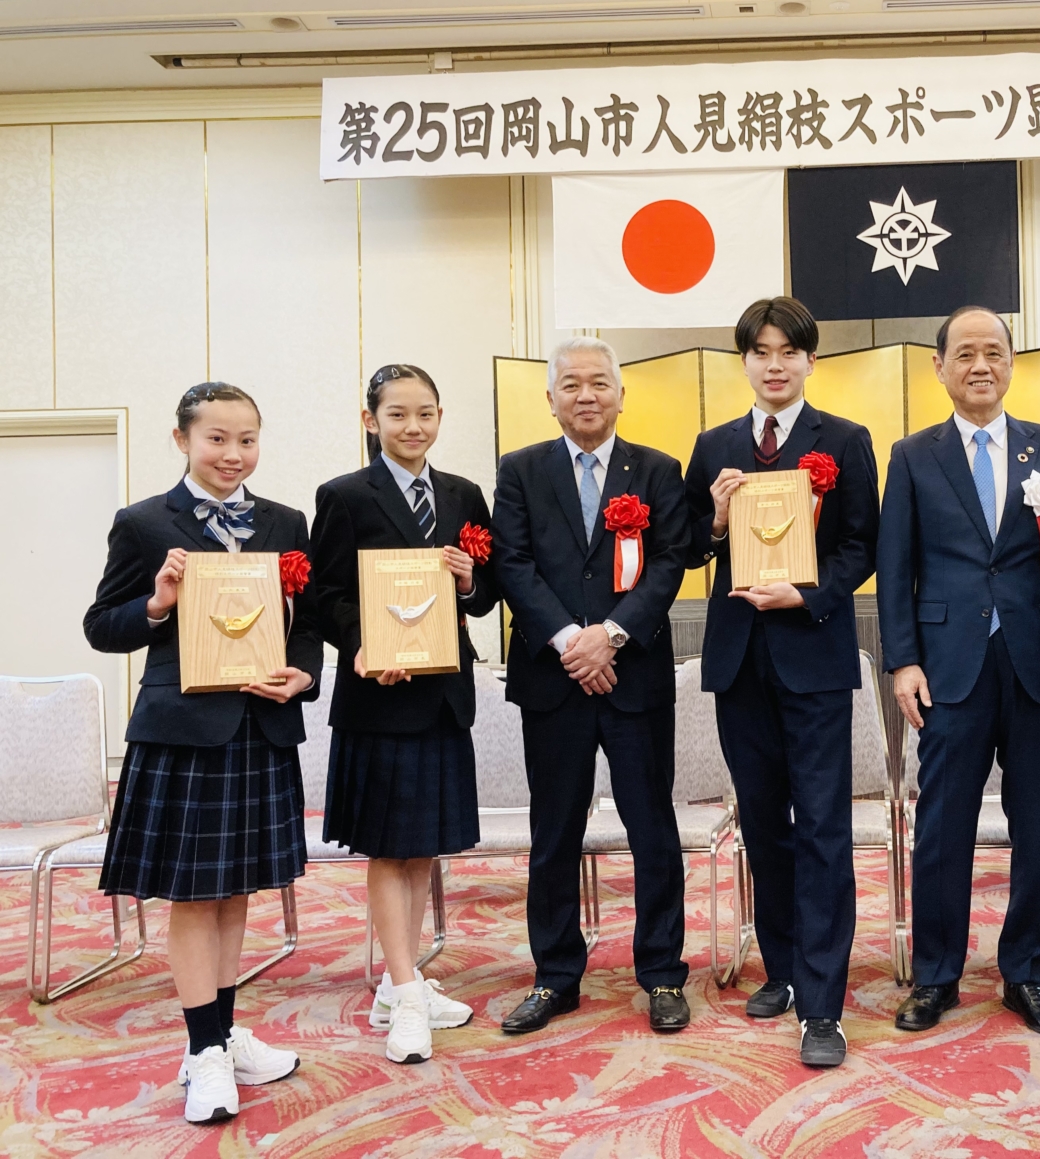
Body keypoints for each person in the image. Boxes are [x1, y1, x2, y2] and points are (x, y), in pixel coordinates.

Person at [85, 382, 320, 1125]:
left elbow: (307, 621)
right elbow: (102, 625)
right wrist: (156, 603)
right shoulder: (144, 522)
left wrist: (303, 670)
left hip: (258, 726)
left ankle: (221, 1032)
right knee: (194, 894)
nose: (233, 454)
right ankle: (204, 1051)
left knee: (235, 888)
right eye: (216, 438)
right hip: (183, 730)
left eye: (246, 439)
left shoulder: (285, 521)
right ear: (182, 439)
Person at [877, 305, 1040, 1035]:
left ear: (1011, 362)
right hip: (948, 666)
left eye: (994, 352)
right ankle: (936, 974)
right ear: (940, 366)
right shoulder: (912, 455)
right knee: (942, 825)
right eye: (965, 353)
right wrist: (903, 661)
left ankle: (1027, 972)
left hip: (1037, 660)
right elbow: (895, 568)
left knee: (1038, 822)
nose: (981, 365)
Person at [683, 297, 879, 1067]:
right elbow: (688, 547)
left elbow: (862, 544)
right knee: (764, 825)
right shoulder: (714, 445)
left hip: (814, 658)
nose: (774, 364)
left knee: (824, 828)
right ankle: (787, 967)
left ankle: (823, 1006)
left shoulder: (847, 439)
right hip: (739, 662)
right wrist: (716, 520)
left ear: (809, 361)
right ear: (744, 361)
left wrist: (809, 592)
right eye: (760, 351)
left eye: (787, 351)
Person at [492, 336, 693, 1036]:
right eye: (571, 384)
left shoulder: (657, 470)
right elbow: (513, 563)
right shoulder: (520, 470)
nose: (586, 395)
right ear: (550, 397)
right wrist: (568, 641)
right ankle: (554, 975)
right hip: (552, 680)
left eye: (599, 382)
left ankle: (662, 972)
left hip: (634, 678)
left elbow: (669, 562)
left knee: (653, 829)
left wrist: (609, 634)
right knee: (554, 832)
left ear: (620, 394)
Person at [310, 364, 500, 1066]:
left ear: (440, 417)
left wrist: (470, 579)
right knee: (390, 848)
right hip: (380, 694)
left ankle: (402, 983)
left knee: (422, 846)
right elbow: (325, 594)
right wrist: (364, 646)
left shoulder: (463, 494)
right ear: (371, 421)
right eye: (397, 414)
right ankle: (405, 992)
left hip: (443, 692)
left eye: (424, 413)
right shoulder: (343, 495)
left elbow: (486, 596)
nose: (412, 426)